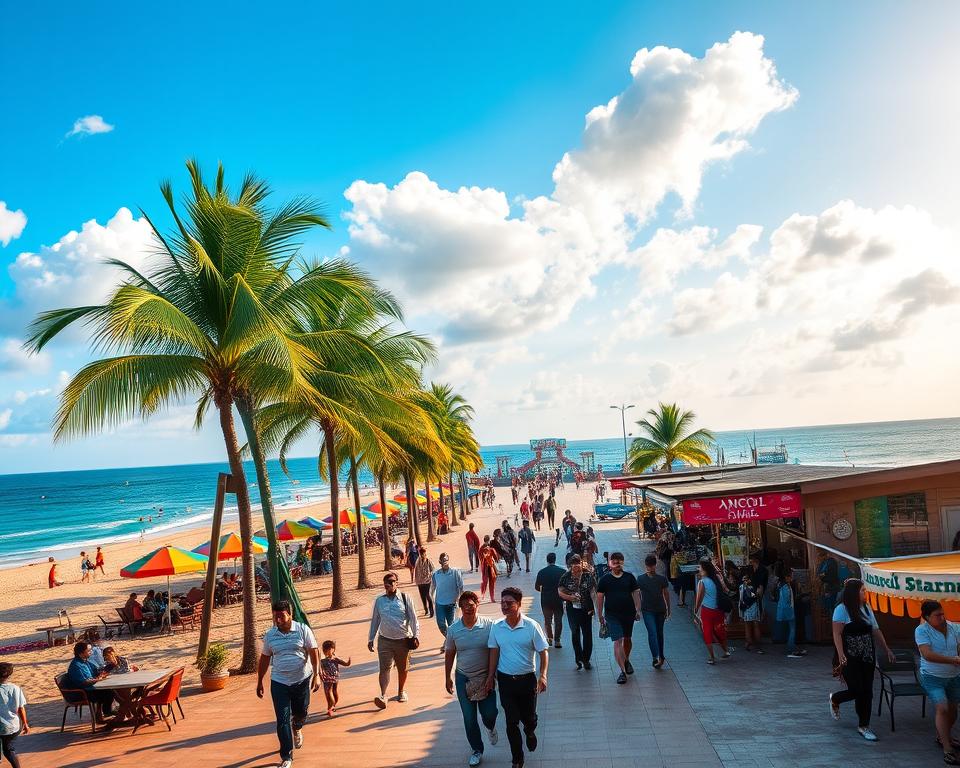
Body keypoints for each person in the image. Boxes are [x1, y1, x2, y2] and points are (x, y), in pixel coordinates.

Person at [485, 587, 548, 768]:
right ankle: (517, 759)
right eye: (503, 603)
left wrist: (542, 675)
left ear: (519, 604)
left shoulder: (531, 626)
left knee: (529, 718)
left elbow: (543, 652)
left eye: (509, 603)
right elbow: (494, 652)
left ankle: (530, 730)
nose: (505, 606)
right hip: (505, 681)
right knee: (511, 721)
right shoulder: (497, 627)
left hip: (527, 681)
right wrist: (491, 676)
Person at [829, 578, 895, 741]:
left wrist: (886, 648)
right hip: (849, 656)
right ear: (853, 593)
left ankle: (864, 725)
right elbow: (837, 633)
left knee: (867, 691)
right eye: (862, 590)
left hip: (867, 656)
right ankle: (836, 699)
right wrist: (841, 654)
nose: (865, 593)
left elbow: (875, 630)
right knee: (856, 689)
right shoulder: (841, 609)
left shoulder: (866, 609)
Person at [256, 600, 321, 768]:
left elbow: (314, 652)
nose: (278, 620)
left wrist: (317, 675)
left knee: (301, 712)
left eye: (282, 616)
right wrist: (260, 681)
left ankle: (297, 727)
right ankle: (287, 756)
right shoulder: (270, 635)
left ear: (290, 615)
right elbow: (264, 659)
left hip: (301, 679)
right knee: (282, 719)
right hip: (279, 682)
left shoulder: (302, 630)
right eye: (275, 616)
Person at [444, 591, 499, 767]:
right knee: (469, 718)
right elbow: (450, 653)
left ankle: (490, 727)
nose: (468, 608)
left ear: (477, 605)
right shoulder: (454, 629)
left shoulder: (489, 625)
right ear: (460, 608)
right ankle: (477, 749)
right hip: (463, 678)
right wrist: (448, 677)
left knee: (490, 713)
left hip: (485, 677)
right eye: (465, 605)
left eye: (471, 604)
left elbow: (494, 650)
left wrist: (492, 675)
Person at [915, 600, 960, 763]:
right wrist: (953, 659)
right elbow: (927, 654)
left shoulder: (954, 627)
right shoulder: (921, 630)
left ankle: (942, 736)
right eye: (937, 615)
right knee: (942, 708)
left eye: (942, 613)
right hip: (932, 676)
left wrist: (957, 658)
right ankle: (948, 749)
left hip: (954, 676)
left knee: (953, 711)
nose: (942, 617)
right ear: (927, 617)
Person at [368, 571, 420, 709]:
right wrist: (371, 638)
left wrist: (416, 636)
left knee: (403, 669)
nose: (389, 584)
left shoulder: (405, 598)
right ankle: (383, 695)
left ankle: (401, 691)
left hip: (403, 640)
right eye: (386, 582)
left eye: (392, 581)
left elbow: (414, 618)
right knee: (384, 668)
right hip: (385, 640)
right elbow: (375, 620)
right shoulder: (379, 601)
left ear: (397, 583)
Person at [557, 555, 597, 670]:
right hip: (572, 609)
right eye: (573, 567)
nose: (576, 569)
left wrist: (598, 610)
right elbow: (559, 591)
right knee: (575, 633)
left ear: (581, 564)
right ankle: (578, 657)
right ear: (570, 566)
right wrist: (569, 597)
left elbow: (593, 592)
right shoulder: (565, 576)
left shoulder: (588, 575)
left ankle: (586, 659)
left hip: (586, 609)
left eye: (578, 565)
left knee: (587, 634)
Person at [635, 553, 671, 669]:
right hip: (647, 610)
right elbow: (636, 594)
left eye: (652, 566)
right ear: (646, 566)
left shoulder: (662, 579)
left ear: (655, 565)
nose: (650, 568)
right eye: (649, 566)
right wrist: (637, 609)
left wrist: (668, 608)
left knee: (659, 633)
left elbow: (666, 594)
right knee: (653, 632)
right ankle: (655, 656)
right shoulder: (640, 579)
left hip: (660, 609)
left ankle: (661, 655)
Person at [65, 642, 115, 723]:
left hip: (89, 688)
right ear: (81, 653)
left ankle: (107, 712)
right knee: (109, 692)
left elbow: (96, 671)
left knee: (112, 690)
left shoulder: (85, 661)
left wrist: (107, 669)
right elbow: (84, 682)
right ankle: (107, 713)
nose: (91, 652)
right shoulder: (76, 665)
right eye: (88, 651)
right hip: (82, 692)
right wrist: (98, 679)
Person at [694, 558, 731, 665]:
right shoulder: (715, 580)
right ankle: (726, 651)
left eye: (700, 567)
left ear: (704, 569)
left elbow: (699, 598)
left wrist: (696, 611)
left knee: (707, 633)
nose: (698, 569)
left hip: (707, 611)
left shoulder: (702, 582)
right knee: (719, 631)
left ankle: (711, 657)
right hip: (718, 610)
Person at [534, 552, 565, 648]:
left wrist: (544, 591)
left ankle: (550, 639)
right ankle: (557, 640)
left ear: (547, 560)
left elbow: (537, 587)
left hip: (546, 600)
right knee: (558, 620)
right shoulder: (562, 571)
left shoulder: (542, 572)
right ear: (555, 560)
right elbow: (565, 586)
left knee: (548, 620)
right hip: (558, 599)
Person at [0, 663, 27, 768]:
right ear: (9, 675)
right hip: (14, 726)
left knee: (7, 750)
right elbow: (21, 708)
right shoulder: (16, 688)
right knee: (8, 748)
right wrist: (25, 724)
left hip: (3, 727)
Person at [432, 553, 464, 640]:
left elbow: (460, 587)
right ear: (440, 562)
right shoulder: (436, 574)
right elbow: (433, 588)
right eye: (443, 560)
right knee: (441, 624)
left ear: (448, 560)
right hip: (440, 604)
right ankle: (449, 639)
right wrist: (432, 600)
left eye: (446, 560)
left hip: (452, 604)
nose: (445, 562)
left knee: (452, 625)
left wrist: (461, 600)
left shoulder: (455, 573)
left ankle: (450, 642)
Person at [775, 569, 805, 659]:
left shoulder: (783, 585)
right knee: (792, 629)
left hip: (786, 610)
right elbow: (787, 601)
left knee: (791, 629)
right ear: (787, 577)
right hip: (788, 611)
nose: (792, 578)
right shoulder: (786, 587)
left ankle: (792, 647)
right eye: (791, 576)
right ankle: (791, 649)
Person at [319, 640, 351, 718]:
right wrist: (321, 673)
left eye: (329, 649)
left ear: (333, 649)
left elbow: (345, 663)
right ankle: (330, 707)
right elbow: (320, 668)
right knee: (328, 692)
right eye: (325, 650)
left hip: (335, 677)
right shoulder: (322, 660)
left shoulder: (335, 658)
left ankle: (332, 705)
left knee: (334, 691)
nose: (326, 651)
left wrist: (348, 662)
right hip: (327, 678)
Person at [739, 573, 764, 654]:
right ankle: (758, 646)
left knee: (747, 626)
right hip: (754, 608)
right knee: (756, 626)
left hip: (746, 608)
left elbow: (740, 600)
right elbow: (759, 597)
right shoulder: (755, 586)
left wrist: (741, 612)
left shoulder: (741, 587)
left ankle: (748, 643)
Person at [414, 546, 436, 618]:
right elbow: (416, 571)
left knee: (428, 596)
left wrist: (430, 575)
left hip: (427, 581)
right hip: (420, 582)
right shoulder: (417, 562)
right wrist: (417, 581)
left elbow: (433, 569)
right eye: (422, 554)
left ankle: (431, 611)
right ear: (420, 554)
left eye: (424, 554)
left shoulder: (428, 561)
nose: (423, 555)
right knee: (422, 597)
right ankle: (426, 609)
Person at [479, 536, 499, 604]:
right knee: (492, 583)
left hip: (484, 567)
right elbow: (496, 558)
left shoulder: (481, 549)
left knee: (484, 582)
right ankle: (492, 598)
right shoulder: (491, 549)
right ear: (488, 540)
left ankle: (482, 596)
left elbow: (480, 558)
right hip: (490, 567)